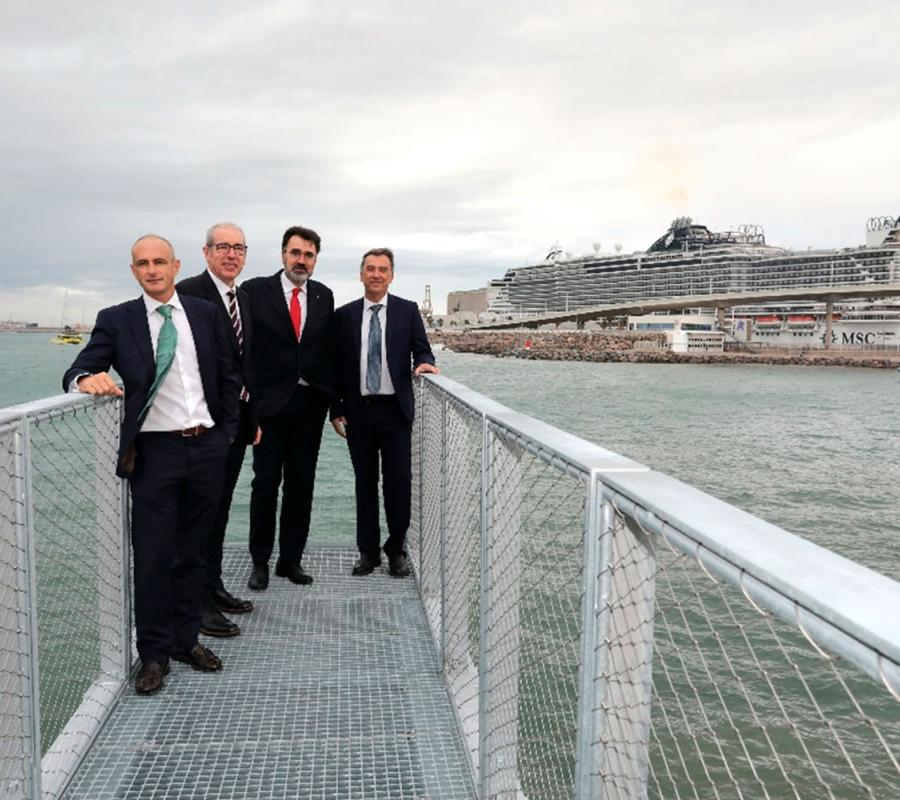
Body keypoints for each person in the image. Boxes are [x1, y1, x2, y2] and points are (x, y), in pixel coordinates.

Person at [63, 234, 240, 695]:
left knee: (193, 553)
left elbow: (228, 373)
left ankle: (186, 641)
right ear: (134, 271)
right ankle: (155, 654)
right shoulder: (116, 320)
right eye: (142, 263)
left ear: (176, 266)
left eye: (160, 261)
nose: (152, 269)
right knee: (155, 556)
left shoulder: (203, 314)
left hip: (206, 448)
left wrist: (225, 434)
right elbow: (81, 366)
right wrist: (87, 377)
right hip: (155, 454)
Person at [330, 247, 438, 577]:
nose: (376, 274)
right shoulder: (345, 315)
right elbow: (336, 365)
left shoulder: (407, 311)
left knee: (397, 484)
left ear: (391, 276)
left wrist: (426, 363)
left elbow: (422, 347)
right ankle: (368, 552)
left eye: (383, 269)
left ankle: (397, 550)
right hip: (358, 412)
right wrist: (336, 408)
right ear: (361, 274)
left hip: (395, 412)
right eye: (371, 269)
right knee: (365, 484)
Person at [176, 222, 259, 638]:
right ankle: (196, 605)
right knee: (198, 518)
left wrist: (251, 422)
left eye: (238, 248)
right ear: (206, 252)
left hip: (234, 426)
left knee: (220, 510)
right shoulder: (188, 292)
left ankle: (213, 586)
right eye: (223, 247)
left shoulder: (242, 297)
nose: (231, 254)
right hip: (200, 427)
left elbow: (247, 367)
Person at [241, 225, 334, 590]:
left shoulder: (324, 296)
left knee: (301, 485)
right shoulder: (254, 291)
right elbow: (245, 349)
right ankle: (260, 561)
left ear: (315, 260)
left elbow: (329, 352)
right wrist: (249, 407)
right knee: (265, 483)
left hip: (309, 405)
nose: (302, 260)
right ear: (283, 255)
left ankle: (290, 559)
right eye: (296, 253)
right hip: (268, 407)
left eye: (309, 255)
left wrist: (333, 402)